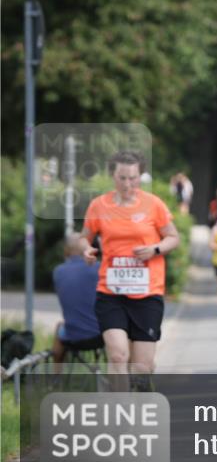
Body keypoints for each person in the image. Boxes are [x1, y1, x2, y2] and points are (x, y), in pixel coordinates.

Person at [81, 151, 180, 376]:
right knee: (117, 356)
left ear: (140, 176)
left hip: (147, 294)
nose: (127, 183)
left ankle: (141, 394)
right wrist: (86, 249)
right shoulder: (99, 205)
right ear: (113, 176)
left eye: (133, 178)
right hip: (111, 292)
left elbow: (173, 238)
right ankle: (121, 411)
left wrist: (155, 249)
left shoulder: (153, 204)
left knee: (142, 368)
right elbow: (83, 238)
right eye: (122, 178)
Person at [51, 233, 102, 364]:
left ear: (66, 250)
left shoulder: (58, 271)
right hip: (100, 335)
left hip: (72, 336)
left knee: (59, 326)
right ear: (87, 248)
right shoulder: (99, 268)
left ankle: (56, 379)